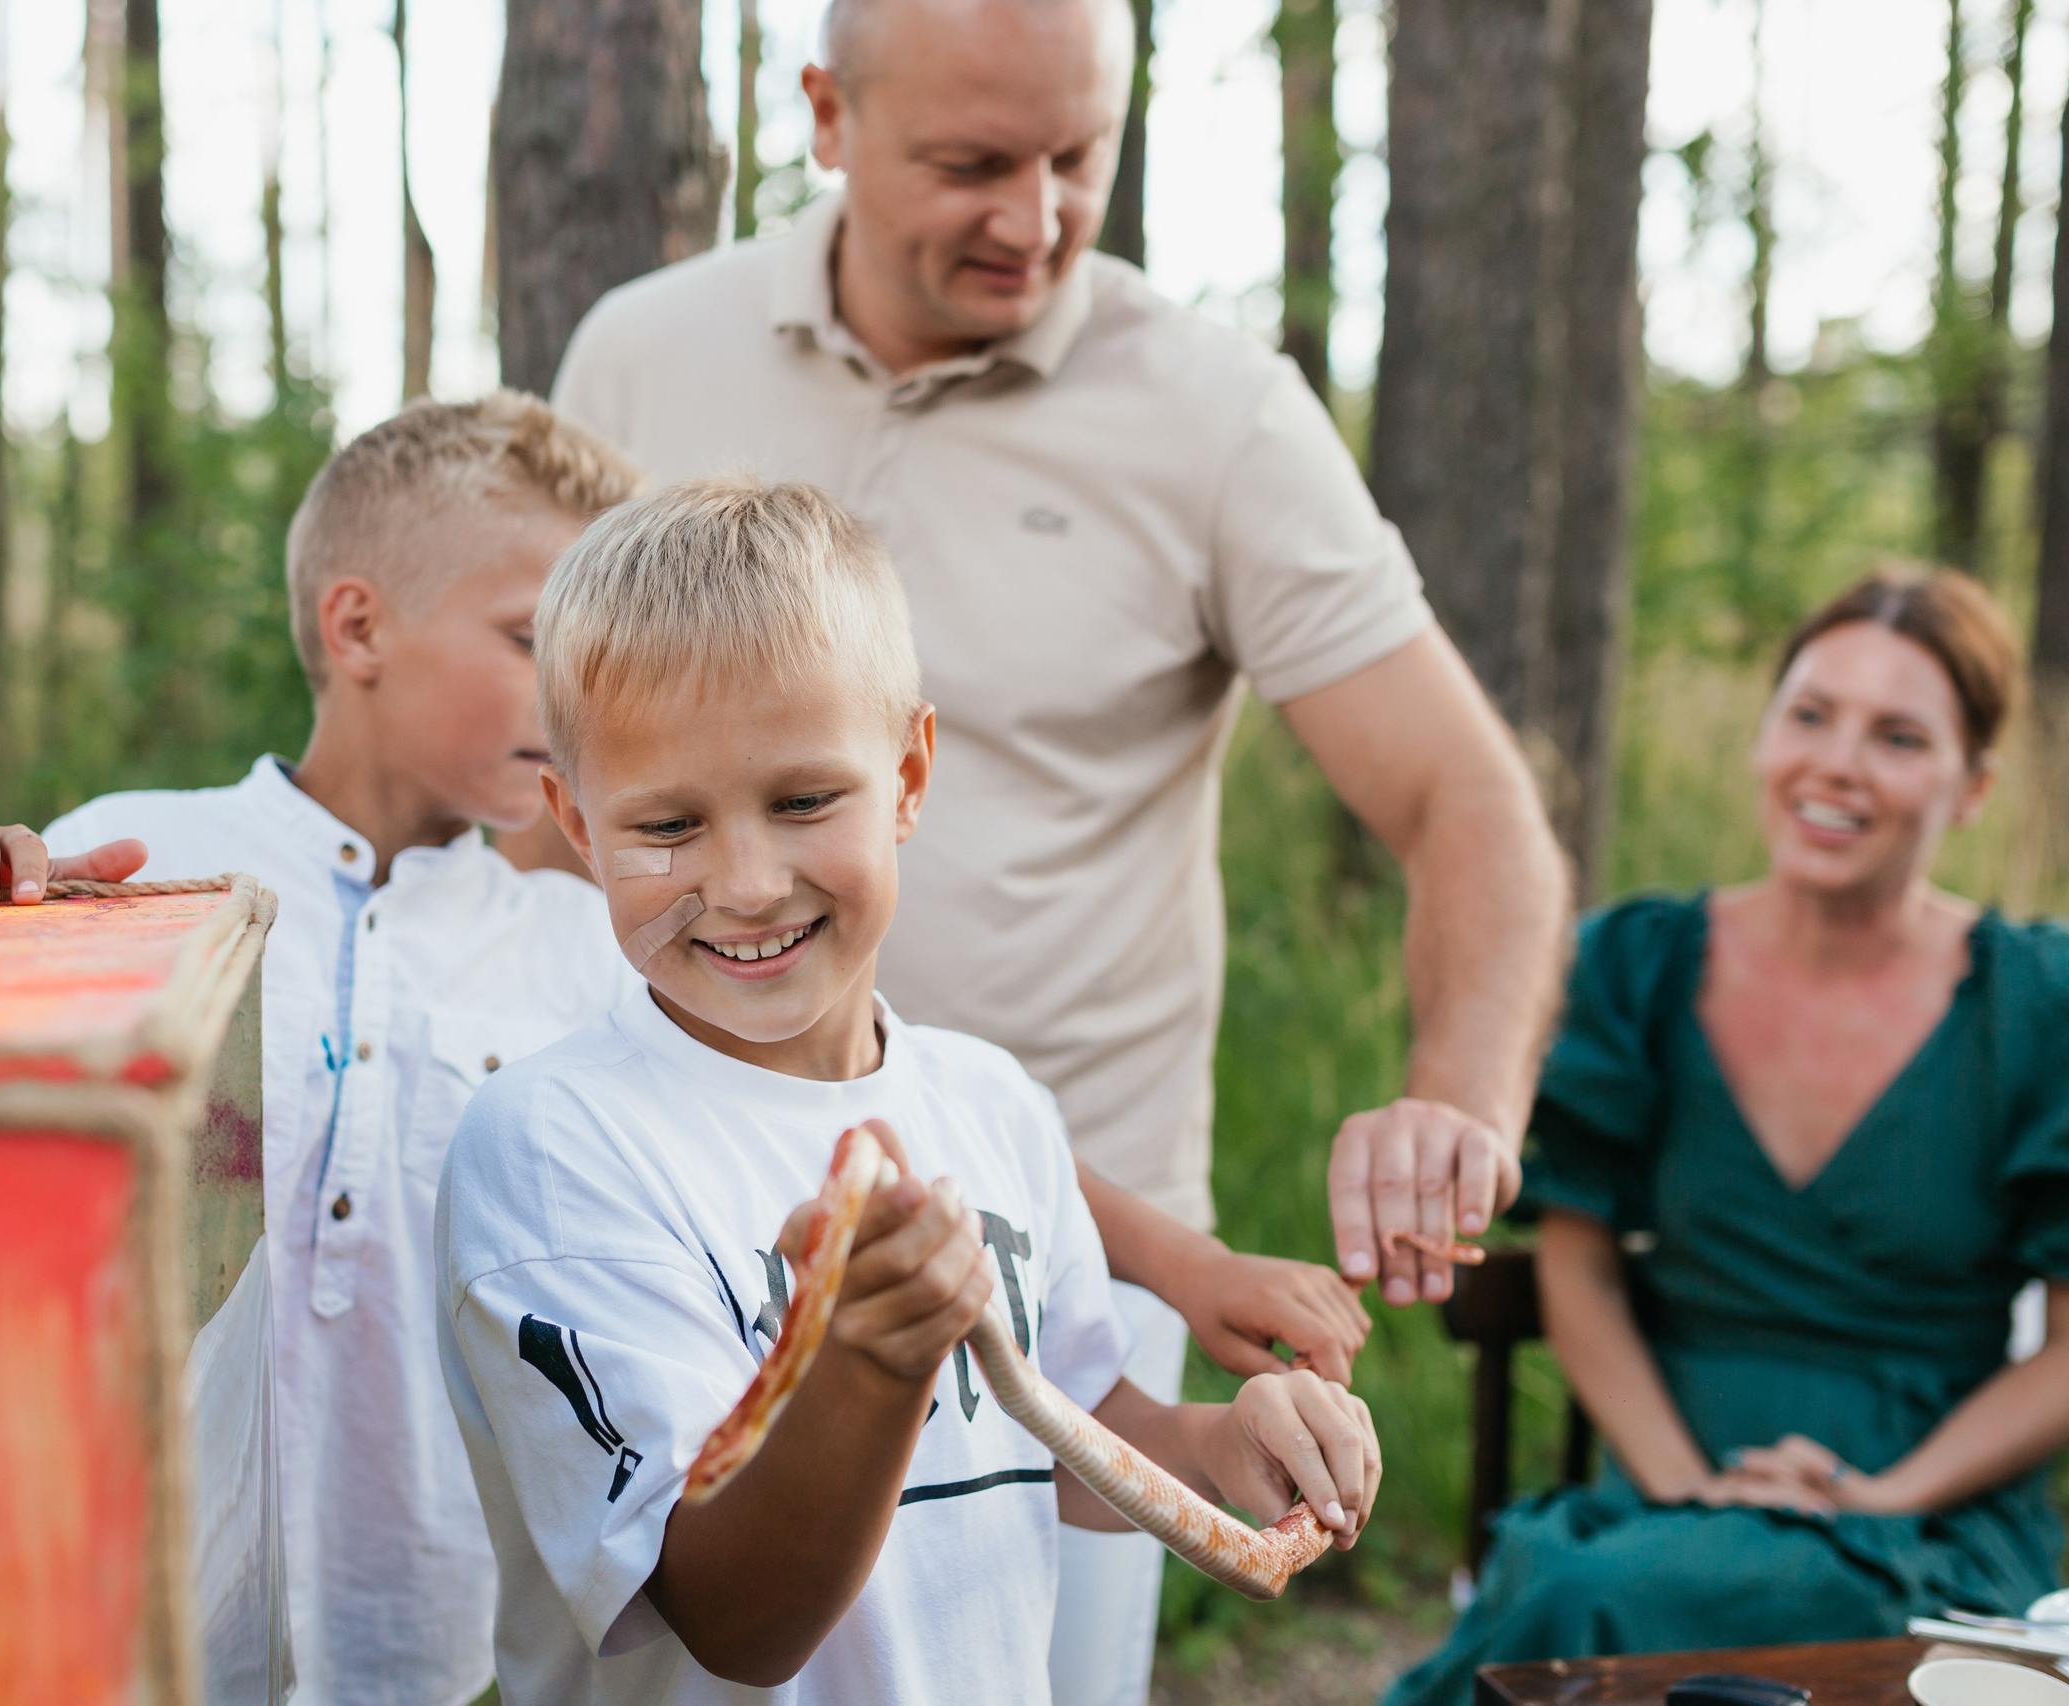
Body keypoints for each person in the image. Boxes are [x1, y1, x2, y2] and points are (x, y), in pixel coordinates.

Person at [546, 0, 1565, 1686]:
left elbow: (1473, 806)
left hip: (1072, 1263)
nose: (1032, 219)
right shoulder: (646, 352)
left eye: (1078, 157)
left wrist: (1455, 1105)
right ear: (824, 114)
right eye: (968, 162)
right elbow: (552, 776)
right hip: (682, 1213)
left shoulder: (1217, 410)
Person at [437, 474, 1381, 1704]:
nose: (748, 881)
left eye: (804, 799)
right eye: (666, 823)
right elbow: (734, 1621)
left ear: (911, 775)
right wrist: (864, 1361)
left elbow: (1062, 1432)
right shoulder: (554, 1148)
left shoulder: (991, 1104)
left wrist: (1221, 1445)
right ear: (574, 822)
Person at [0, 394, 647, 1706]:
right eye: (530, 635)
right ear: (359, 624)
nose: (580, 687)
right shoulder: (134, 859)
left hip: (461, 1656)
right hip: (140, 1629)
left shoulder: (589, 954)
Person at [1383, 567, 2069, 1706]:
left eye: (1896, 735)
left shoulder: (2045, 1004)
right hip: (1666, 1482)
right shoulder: (1639, 963)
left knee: (1582, 1607)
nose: (1835, 761)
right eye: (1810, 714)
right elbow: (1579, 1265)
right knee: (1592, 1584)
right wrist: (1689, 1486)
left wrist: (1878, 1492)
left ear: (1970, 785)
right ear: (1762, 737)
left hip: (1922, 1518)